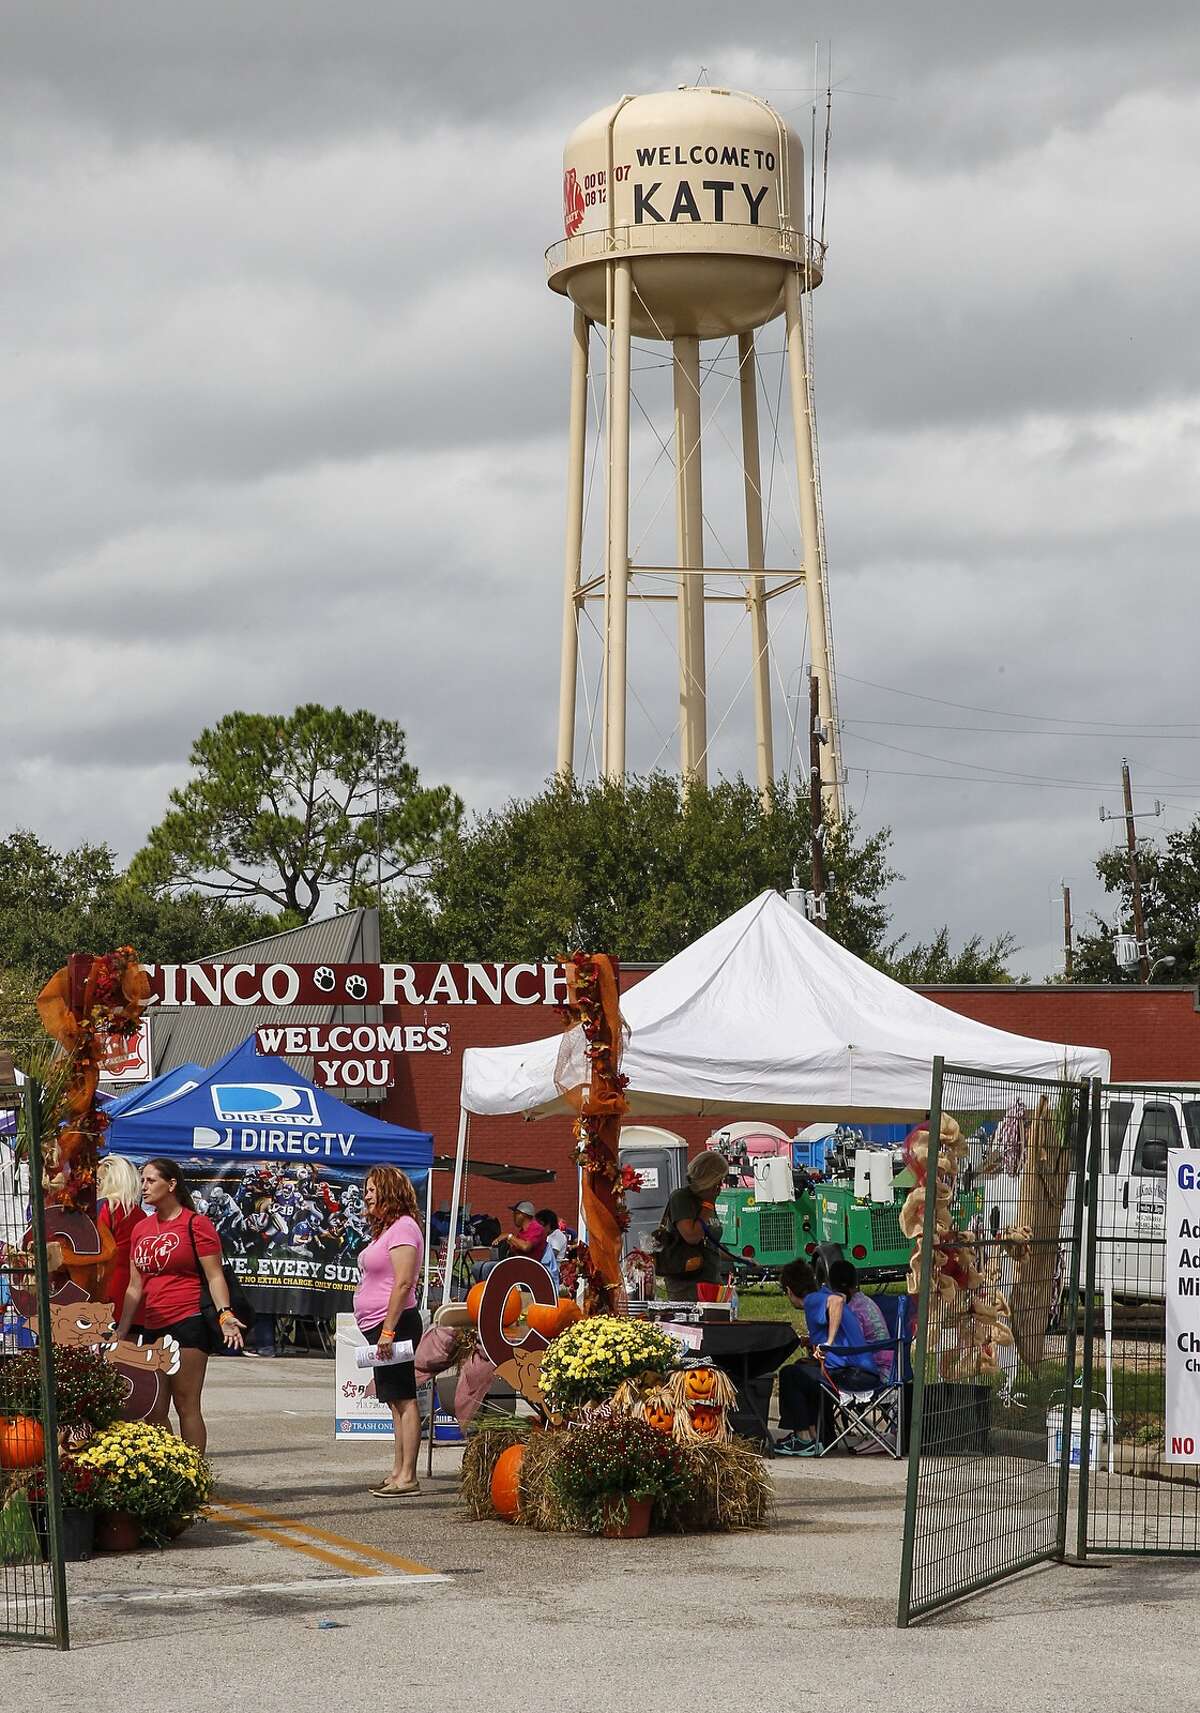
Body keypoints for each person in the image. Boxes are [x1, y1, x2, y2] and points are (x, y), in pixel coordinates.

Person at [113, 1158, 246, 1451]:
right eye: (142, 1181)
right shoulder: (141, 1229)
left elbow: (214, 1276)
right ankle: (173, 1468)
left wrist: (225, 1314)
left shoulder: (196, 1224)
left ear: (171, 1184)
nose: (144, 1187)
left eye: (151, 1181)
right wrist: (122, 1330)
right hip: (152, 1326)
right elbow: (135, 1286)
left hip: (188, 1320)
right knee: (153, 1408)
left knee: (186, 1403)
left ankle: (196, 1474)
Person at [354, 1165, 424, 1498]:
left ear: (389, 1191)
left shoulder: (404, 1229)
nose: (366, 1194)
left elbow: (404, 1282)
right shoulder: (387, 1231)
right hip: (379, 1327)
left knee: (404, 1398)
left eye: (372, 1188)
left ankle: (408, 1476)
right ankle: (397, 1471)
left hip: (395, 1325)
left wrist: (388, 1331)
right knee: (393, 1401)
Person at [774, 1258, 882, 1456]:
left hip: (854, 1375)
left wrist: (829, 1341)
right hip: (864, 1369)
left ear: (789, 1291)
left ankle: (803, 1438)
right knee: (804, 1371)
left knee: (789, 1374)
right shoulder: (822, 1294)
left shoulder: (812, 1300)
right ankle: (818, 1435)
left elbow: (838, 1301)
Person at [655, 1151, 728, 1302]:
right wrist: (708, 1204)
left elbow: (709, 1243)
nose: (720, 1185)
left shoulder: (707, 1201)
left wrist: (738, 1258)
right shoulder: (682, 1198)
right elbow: (692, 1236)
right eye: (719, 1180)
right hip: (687, 1285)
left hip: (711, 1279)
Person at [96, 1155, 144, 1324]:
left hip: (107, 1288)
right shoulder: (140, 1213)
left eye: (99, 1180)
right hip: (135, 1292)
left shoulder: (105, 1207)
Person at [828, 1258, 894, 1380]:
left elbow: (850, 1348)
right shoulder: (865, 1302)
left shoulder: (849, 1310)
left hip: (873, 1372)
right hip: (890, 1368)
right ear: (855, 1282)